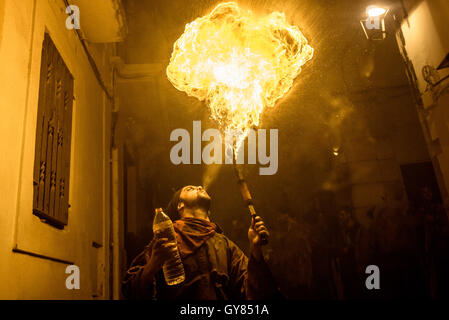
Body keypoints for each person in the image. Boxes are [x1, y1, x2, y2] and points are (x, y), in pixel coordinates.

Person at [122, 185, 282, 300]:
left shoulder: (225, 245)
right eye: (189, 188)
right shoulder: (167, 242)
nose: (198, 186)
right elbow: (129, 290)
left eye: (198, 187)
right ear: (180, 205)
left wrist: (255, 249)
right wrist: (152, 265)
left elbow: (256, 293)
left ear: (209, 211)